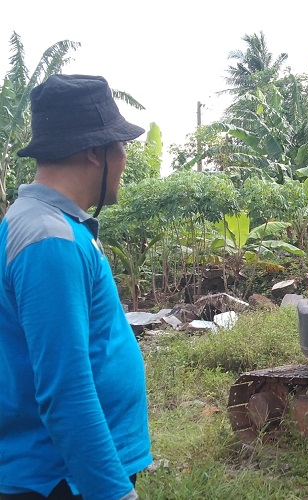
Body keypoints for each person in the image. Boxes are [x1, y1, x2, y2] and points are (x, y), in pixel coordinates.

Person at [0, 75, 151, 500]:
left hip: (70, 475)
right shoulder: (49, 239)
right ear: (94, 152)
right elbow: (65, 390)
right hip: (64, 481)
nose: (123, 158)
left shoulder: (53, 226)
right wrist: (113, 492)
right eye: (119, 146)